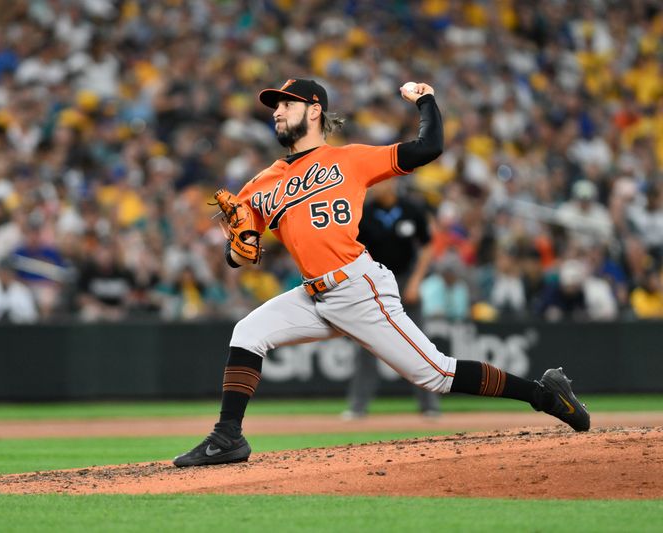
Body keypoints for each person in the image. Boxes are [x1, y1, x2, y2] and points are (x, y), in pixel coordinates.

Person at [173, 78, 590, 468]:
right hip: (313, 295)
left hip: (358, 286)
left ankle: (544, 393)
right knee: (248, 333)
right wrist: (237, 251)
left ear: (314, 110)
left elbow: (428, 148)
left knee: (438, 374)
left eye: (286, 104)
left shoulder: (350, 159)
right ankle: (228, 437)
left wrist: (425, 100)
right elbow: (239, 253)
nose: (277, 112)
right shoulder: (261, 184)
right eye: (275, 107)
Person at [342, 179, 441, 419]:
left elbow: (427, 245)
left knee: (418, 342)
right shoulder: (364, 211)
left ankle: (429, 404)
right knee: (366, 342)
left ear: (394, 184)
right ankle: (358, 405)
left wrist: (417, 281)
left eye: (382, 182)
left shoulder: (411, 209)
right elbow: (352, 248)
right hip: (374, 279)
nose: (377, 186)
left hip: (406, 278)